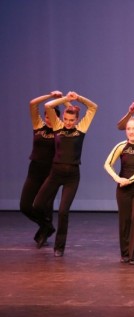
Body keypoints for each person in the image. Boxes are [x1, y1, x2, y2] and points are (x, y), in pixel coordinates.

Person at [33, 91, 98, 257]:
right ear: (62, 118)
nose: (68, 123)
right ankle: (47, 226)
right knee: (37, 204)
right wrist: (66, 99)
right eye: (66, 119)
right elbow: (48, 106)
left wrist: (78, 98)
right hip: (55, 173)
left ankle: (59, 247)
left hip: (72, 176)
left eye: (72, 120)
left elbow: (93, 107)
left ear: (76, 120)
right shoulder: (57, 126)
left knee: (63, 211)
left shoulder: (81, 129)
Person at [104, 119, 134, 265]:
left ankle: (133, 255)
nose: (131, 132)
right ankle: (125, 254)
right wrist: (117, 178)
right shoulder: (121, 146)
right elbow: (107, 164)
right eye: (128, 129)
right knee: (124, 221)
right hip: (123, 189)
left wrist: (130, 180)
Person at [20, 91, 63, 247]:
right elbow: (32, 104)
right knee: (25, 206)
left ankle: (44, 231)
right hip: (35, 170)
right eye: (46, 116)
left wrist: (64, 100)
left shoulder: (60, 130)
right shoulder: (38, 126)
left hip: (51, 172)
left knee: (45, 205)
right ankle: (46, 225)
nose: (48, 119)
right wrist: (51, 97)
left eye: (51, 116)